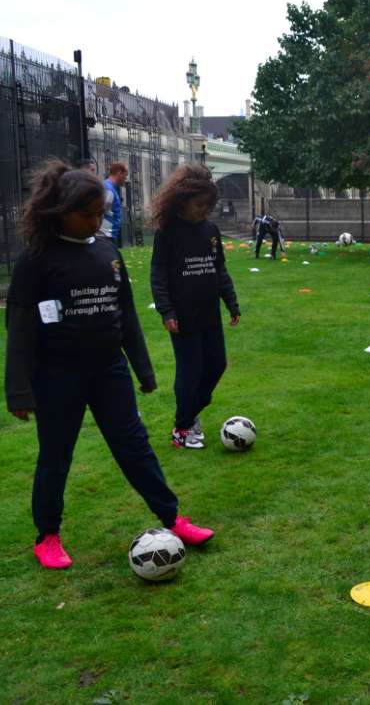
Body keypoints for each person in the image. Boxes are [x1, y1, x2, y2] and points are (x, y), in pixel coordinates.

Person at [3, 160, 214, 569]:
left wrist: (143, 370)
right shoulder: (37, 259)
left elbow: (126, 315)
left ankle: (173, 517)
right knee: (56, 455)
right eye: (87, 215)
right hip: (57, 376)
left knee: (135, 447)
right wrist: (19, 391)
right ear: (60, 211)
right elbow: (21, 326)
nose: (96, 221)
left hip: (108, 371)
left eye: (100, 213)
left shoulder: (106, 251)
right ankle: (47, 535)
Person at [150, 164, 240, 449]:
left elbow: (219, 269)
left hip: (209, 313)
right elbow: (158, 274)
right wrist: (166, 310)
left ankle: (189, 415)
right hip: (182, 318)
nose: (205, 211)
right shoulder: (167, 232)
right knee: (190, 371)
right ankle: (182, 428)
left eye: (208, 206)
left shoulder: (210, 231)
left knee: (216, 365)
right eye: (200, 205)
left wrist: (231, 303)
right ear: (182, 201)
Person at [103, 161, 127, 246]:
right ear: (120, 173)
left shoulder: (110, 188)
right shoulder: (108, 189)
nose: (125, 178)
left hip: (108, 235)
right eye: (125, 175)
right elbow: (101, 211)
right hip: (105, 235)